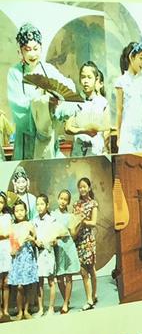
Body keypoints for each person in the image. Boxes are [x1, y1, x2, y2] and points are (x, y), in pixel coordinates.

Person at [7, 24, 76, 160]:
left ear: (41, 48)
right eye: (27, 50)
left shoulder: (49, 70)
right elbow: (18, 107)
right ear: (21, 51)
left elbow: (68, 91)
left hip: (49, 138)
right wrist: (42, 103)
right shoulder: (14, 73)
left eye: (36, 49)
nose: (32, 54)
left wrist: (56, 106)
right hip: (26, 140)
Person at [114, 41, 142, 153]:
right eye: (141, 58)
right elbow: (119, 111)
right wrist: (119, 136)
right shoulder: (121, 81)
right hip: (128, 131)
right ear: (131, 57)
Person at [69, 61, 109, 158]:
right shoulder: (75, 101)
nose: (86, 81)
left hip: (96, 151)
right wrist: (84, 130)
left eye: (89, 77)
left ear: (96, 79)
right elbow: (68, 127)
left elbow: (107, 128)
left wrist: (105, 146)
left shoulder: (103, 103)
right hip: (78, 152)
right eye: (83, 77)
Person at [8, 198, 39, 319]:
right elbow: (12, 244)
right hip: (18, 258)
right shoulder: (13, 226)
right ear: (14, 213)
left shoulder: (29, 224)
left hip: (28, 256)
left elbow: (35, 242)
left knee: (27, 285)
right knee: (19, 286)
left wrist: (31, 240)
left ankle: (26, 310)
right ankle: (20, 310)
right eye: (17, 211)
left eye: (22, 210)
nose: (20, 213)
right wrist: (14, 250)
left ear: (26, 211)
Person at [72, 175, 99, 311]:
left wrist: (83, 221)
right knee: (83, 271)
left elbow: (93, 223)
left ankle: (92, 297)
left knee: (91, 269)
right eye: (80, 187)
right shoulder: (76, 204)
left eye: (84, 186)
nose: (82, 189)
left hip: (88, 239)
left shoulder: (93, 203)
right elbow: (73, 221)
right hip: (78, 239)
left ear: (88, 188)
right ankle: (90, 298)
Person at [51, 188, 78, 314]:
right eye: (61, 198)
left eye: (65, 200)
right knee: (59, 277)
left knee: (68, 276)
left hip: (67, 246)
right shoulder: (52, 215)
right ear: (58, 199)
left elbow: (73, 234)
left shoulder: (70, 216)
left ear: (68, 202)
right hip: (57, 247)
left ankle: (66, 303)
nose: (62, 201)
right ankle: (65, 299)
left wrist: (77, 224)